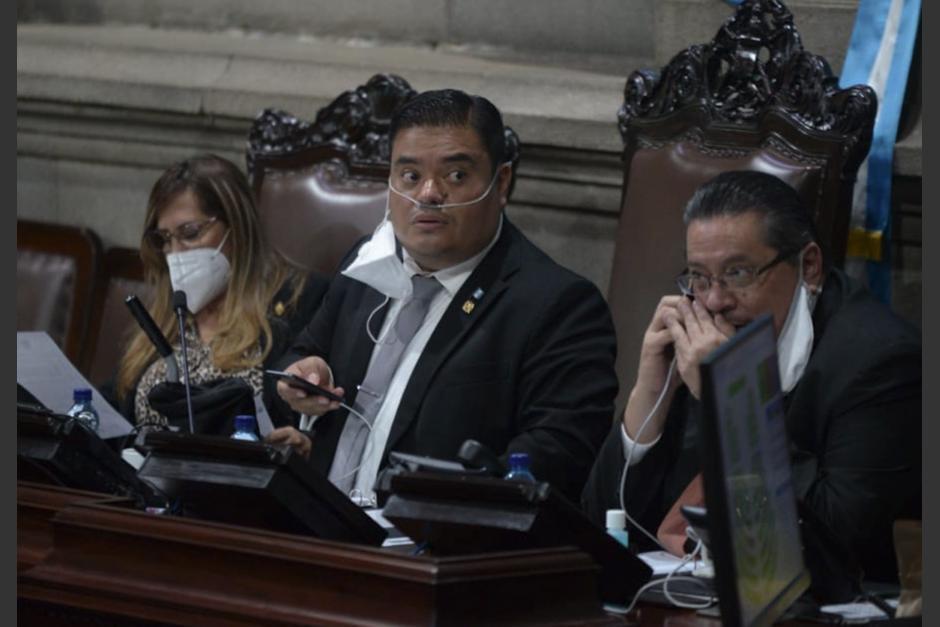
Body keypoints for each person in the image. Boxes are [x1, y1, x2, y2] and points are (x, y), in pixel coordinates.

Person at [268, 89, 618, 504]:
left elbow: (555, 458)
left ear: (500, 182)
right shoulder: (366, 266)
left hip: (428, 546)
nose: (428, 194)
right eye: (410, 176)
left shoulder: (558, 305)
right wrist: (301, 381)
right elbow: (297, 358)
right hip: (316, 522)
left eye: (455, 176)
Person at [581, 170, 921, 584]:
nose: (714, 301)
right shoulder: (708, 334)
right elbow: (607, 526)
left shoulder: (881, 363)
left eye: (738, 274)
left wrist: (733, 397)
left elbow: (838, 546)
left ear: (808, 266)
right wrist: (650, 392)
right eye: (699, 277)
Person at [110, 154, 329, 433]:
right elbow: (115, 404)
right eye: (164, 239)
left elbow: (306, 413)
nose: (175, 253)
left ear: (236, 228)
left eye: (190, 233)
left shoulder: (299, 299)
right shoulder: (169, 311)